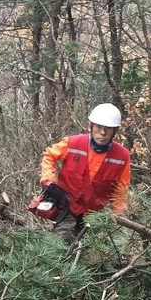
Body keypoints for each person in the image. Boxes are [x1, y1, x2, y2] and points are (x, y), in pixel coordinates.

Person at [33, 103, 132, 243]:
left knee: (88, 249)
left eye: (108, 129)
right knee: (63, 241)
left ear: (115, 130)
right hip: (66, 205)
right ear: (91, 126)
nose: (103, 133)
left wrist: (117, 216)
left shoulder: (122, 156)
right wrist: (48, 179)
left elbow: (121, 189)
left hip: (94, 213)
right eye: (99, 127)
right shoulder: (72, 143)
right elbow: (49, 156)